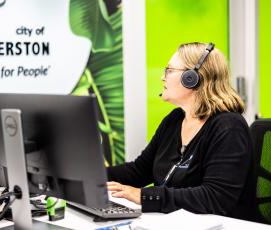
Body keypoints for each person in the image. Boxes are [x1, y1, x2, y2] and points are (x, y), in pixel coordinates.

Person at [107, 42, 257, 221]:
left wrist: (144, 196)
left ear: (192, 78)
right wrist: (92, 176)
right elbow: (140, 170)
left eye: (169, 70)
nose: (163, 77)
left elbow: (215, 198)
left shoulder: (229, 127)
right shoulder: (175, 119)